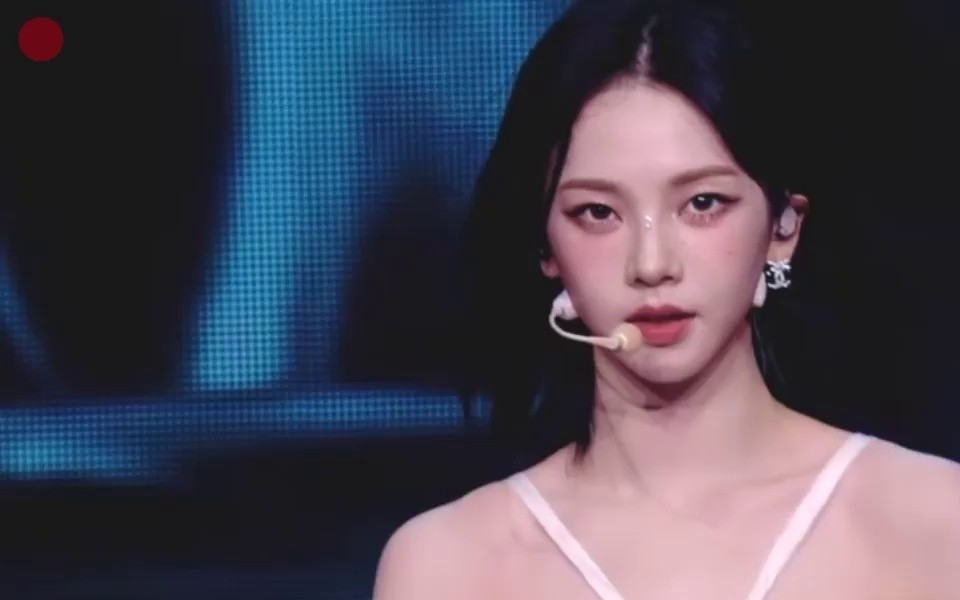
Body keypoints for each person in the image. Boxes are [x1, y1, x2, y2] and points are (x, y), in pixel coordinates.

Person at [373, 0, 960, 598]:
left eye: (703, 204)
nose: (652, 265)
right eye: (597, 212)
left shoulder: (933, 524)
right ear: (544, 243)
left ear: (782, 227)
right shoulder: (447, 565)